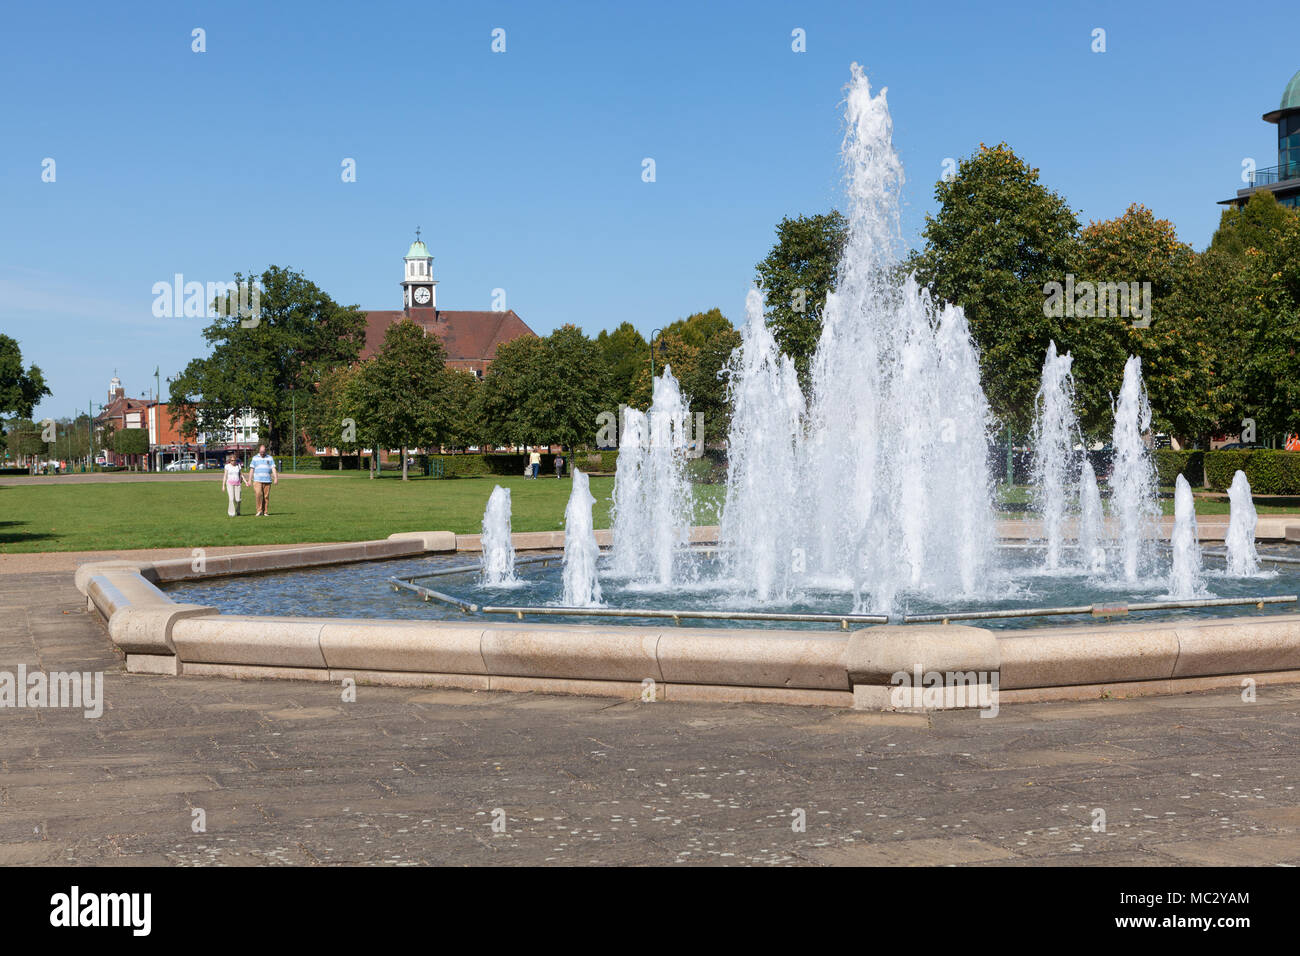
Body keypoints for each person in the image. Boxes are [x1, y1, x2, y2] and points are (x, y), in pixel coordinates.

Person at [250, 444, 278, 516]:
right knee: (258, 494)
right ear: (259, 450)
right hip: (257, 480)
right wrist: (249, 480)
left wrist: (276, 478)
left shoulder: (270, 458)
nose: (262, 452)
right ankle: (259, 510)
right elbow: (252, 469)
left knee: (266, 496)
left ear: (265, 451)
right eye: (261, 451)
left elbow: (273, 468)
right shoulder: (255, 458)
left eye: (263, 451)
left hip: (267, 480)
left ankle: (265, 511)